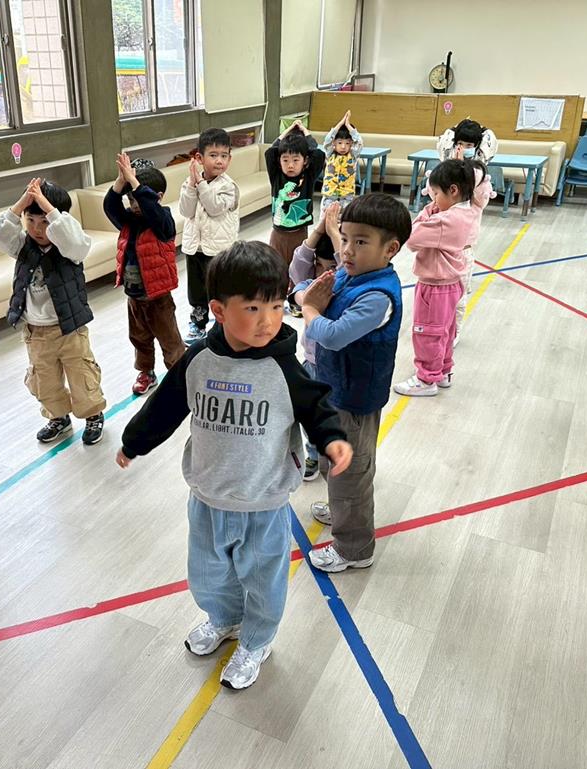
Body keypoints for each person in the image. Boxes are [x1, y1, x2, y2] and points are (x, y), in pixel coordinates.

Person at [116, 241, 352, 690]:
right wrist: (134, 442)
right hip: (207, 496)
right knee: (208, 573)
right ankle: (225, 618)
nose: (268, 320)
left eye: (277, 306)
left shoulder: (284, 368)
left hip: (263, 502)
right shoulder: (198, 361)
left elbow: (316, 406)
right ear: (219, 311)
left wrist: (332, 439)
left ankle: (257, 641)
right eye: (253, 308)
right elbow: (165, 406)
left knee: (263, 579)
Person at [293, 193, 410, 572]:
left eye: (360, 242)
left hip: (355, 400)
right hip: (333, 388)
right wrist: (308, 297)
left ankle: (354, 548)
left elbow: (333, 334)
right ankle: (339, 507)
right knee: (334, 462)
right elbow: (307, 285)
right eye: (344, 238)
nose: (346, 250)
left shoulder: (378, 295)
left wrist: (308, 308)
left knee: (352, 474)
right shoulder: (351, 273)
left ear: (390, 249)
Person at [0, 177, 107, 445]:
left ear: (57, 220)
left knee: (82, 374)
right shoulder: (22, 245)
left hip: (70, 329)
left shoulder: (69, 246)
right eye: (30, 220)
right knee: (44, 380)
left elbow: (76, 242)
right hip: (36, 331)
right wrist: (22, 203)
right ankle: (58, 417)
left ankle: (93, 415)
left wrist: (49, 209)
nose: (36, 228)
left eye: (44, 221)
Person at [393, 158, 484, 397]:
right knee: (445, 330)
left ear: (452, 190)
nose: (432, 200)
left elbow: (411, 238)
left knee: (428, 332)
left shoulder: (445, 219)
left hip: (435, 286)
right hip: (452, 284)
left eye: (435, 194)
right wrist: (434, 208)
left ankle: (426, 379)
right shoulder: (468, 211)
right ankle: (442, 371)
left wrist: (427, 212)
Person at [103, 154, 183, 395]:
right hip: (135, 296)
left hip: (158, 297)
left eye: (138, 199)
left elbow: (152, 209)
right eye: (130, 199)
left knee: (169, 339)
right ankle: (146, 371)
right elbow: (110, 207)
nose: (134, 204)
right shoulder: (129, 221)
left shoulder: (163, 220)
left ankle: (179, 375)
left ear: (157, 197)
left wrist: (137, 186)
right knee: (139, 338)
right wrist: (121, 182)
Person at [289, 201, 342, 481]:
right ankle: (312, 454)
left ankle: (332, 455)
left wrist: (335, 235)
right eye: (319, 266)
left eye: (331, 266)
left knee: (333, 417)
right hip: (310, 362)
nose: (323, 273)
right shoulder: (310, 286)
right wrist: (320, 230)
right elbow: (297, 268)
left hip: (335, 366)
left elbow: (347, 270)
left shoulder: (346, 288)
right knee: (308, 414)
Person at [436, 118, 497, 342]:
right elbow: (435, 197)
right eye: (461, 144)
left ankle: (455, 332)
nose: (464, 149)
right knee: (439, 292)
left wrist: (465, 172)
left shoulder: (480, 176)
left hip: (464, 246)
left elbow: (479, 201)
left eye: (469, 145)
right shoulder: (445, 171)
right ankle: (439, 327)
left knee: (459, 295)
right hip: (442, 242)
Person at [180, 127, 241, 345]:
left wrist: (201, 185)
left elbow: (214, 208)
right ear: (199, 158)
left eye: (224, 156)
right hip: (194, 246)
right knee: (196, 290)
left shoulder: (228, 186)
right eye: (213, 155)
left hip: (218, 249)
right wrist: (192, 185)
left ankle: (222, 324)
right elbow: (186, 211)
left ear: (229, 159)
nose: (219, 161)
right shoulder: (190, 182)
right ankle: (198, 323)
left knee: (219, 288)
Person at [266, 120, 327, 285]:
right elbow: (270, 152)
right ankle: (278, 292)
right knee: (276, 268)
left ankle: (295, 293)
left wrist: (305, 132)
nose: (290, 165)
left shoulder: (308, 177)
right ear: (279, 161)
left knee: (299, 269)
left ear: (305, 161)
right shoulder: (276, 176)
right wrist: (287, 132)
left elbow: (319, 154)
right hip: (278, 233)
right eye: (285, 160)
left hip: (299, 233)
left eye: (295, 160)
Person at [320, 110, 364, 214]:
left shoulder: (352, 155)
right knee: (327, 217)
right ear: (334, 143)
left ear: (351, 143)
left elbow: (359, 143)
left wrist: (348, 125)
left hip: (346, 195)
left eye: (347, 143)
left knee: (345, 217)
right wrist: (340, 123)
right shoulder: (330, 153)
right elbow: (327, 140)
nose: (343, 146)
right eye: (340, 143)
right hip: (330, 194)